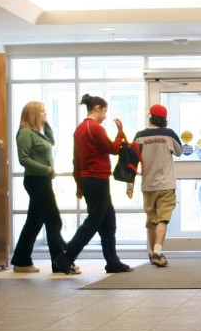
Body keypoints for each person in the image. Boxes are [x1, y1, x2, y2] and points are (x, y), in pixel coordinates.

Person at [62, 93, 131, 274]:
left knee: (108, 220)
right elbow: (114, 149)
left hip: (87, 179)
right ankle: (65, 257)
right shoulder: (95, 128)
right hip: (98, 179)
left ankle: (112, 262)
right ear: (97, 108)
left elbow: (76, 160)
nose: (105, 115)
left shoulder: (79, 129)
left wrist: (79, 184)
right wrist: (120, 133)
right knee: (94, 221)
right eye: (105, 111)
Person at [10, 101, 79, 275]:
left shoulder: (37, 134)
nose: (45, 114)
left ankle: (21, 260)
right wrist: (47, 169)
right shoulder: (25, 134)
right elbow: (23, 159)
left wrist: (45, 122)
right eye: (42, 112)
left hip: (42, 181)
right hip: (36, 181)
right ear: (33, 114)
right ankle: (61, 261)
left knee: (34, 222)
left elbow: (51, 140)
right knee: (53, 219)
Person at [133, 104, 183, 267]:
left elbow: (133, 158)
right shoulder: (169, 135)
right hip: (166, 184)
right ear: (164, 119)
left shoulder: (139, 136)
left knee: (151, 219)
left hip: (148, 184)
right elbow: (179, 151)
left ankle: (151, 252)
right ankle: (157, 251)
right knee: (163, 218)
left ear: (150, 117)